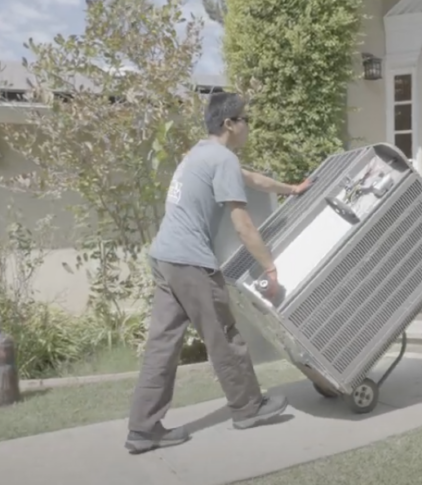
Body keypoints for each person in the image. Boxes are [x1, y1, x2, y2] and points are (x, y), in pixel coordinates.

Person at [125, 92, 312, 454]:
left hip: (164, 258)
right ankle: (248, 409)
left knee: (162, 346)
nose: (248, 127)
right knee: (224, 336)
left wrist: (291, 189)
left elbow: (252, 179)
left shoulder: (200, 154)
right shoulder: (221, 158)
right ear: (230, 124)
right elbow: (242, 223)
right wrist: (270, 267)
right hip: (191, 262)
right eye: (246, 120)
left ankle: (143, 429)